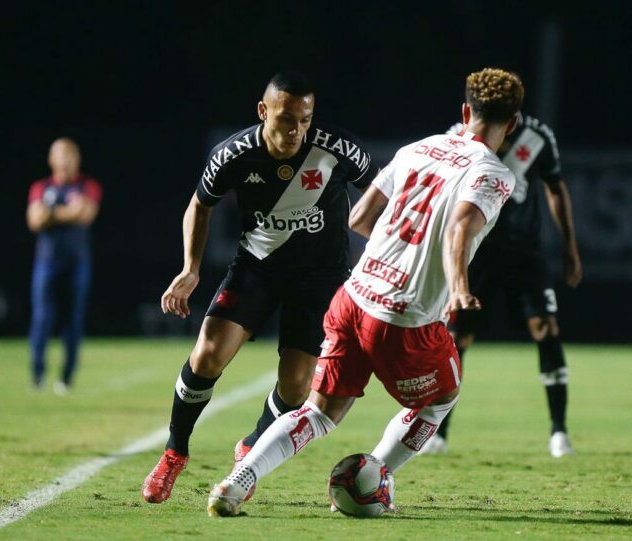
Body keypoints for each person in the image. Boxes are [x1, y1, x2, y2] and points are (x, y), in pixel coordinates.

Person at [205, 67, 523, 517]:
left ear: (465, 111)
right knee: (440, 399)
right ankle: (377, 476)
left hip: (353, 297)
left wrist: (391, 257)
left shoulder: (418, 148)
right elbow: (459, 228)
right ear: (511, 124)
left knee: (318, 412)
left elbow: (360, 219)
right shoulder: (493, 174)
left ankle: (237, 483)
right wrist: (457, 287)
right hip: (404, 319)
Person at [141, 71, 379, 504]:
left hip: (320, 279)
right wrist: (190, 268)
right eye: (287, 118)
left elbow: (379, 197)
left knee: (296, 386)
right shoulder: (234, 154)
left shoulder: (339, 149)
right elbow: (200, 204)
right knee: (208, 353)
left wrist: (379, 259)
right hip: (257, 268)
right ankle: (174, 451)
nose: (296, 130)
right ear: (262, 111)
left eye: (305, 119)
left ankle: (250, 447)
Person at [422, 113, 582, 458]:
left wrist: (570, 246)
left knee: (545, 327)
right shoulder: (459, 135)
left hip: (525, 252)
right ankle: (437, 433)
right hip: (478, 252)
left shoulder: (537, 136)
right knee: (456, 337)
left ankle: (559, 432)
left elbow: (556, 186)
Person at [26, 138, 102, 395]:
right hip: (46, 262)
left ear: (78, 158)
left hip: (77, 262)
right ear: (51, 159)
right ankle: (37, 375)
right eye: (61, 154)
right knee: (41, 318)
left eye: (71, 154)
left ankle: (66, 377)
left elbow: (85, 214)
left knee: (73, 319)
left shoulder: (87, 186)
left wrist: (51, 213)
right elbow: (35, 220)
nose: (66, 159)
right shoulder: (40, 186)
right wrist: (67, 211)